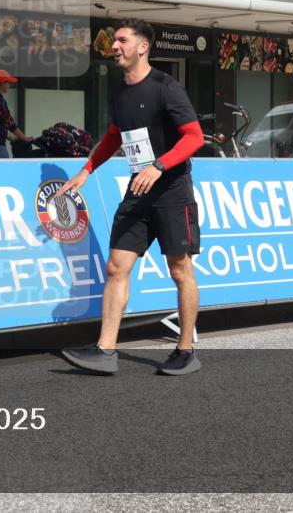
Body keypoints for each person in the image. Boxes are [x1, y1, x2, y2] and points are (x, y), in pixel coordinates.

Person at [56, 19, 205, 376]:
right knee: (116, 266)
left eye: (122, 40)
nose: (114, 46)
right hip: (138, 191)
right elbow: (114, 136)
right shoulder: (120, 91)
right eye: (114, 40)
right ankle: (105, 350)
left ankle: (186, 350)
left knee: (180, 269)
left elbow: (194, 136)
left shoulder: (166, 88)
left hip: (172, 191)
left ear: (143, 47)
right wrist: (86, 170)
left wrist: (159, 166)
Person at [0, 69, 31, 157]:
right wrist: (25, 138)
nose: (9, 85)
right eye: (8, 82)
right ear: (2, 83)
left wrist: (9, 136)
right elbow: (9, 123)